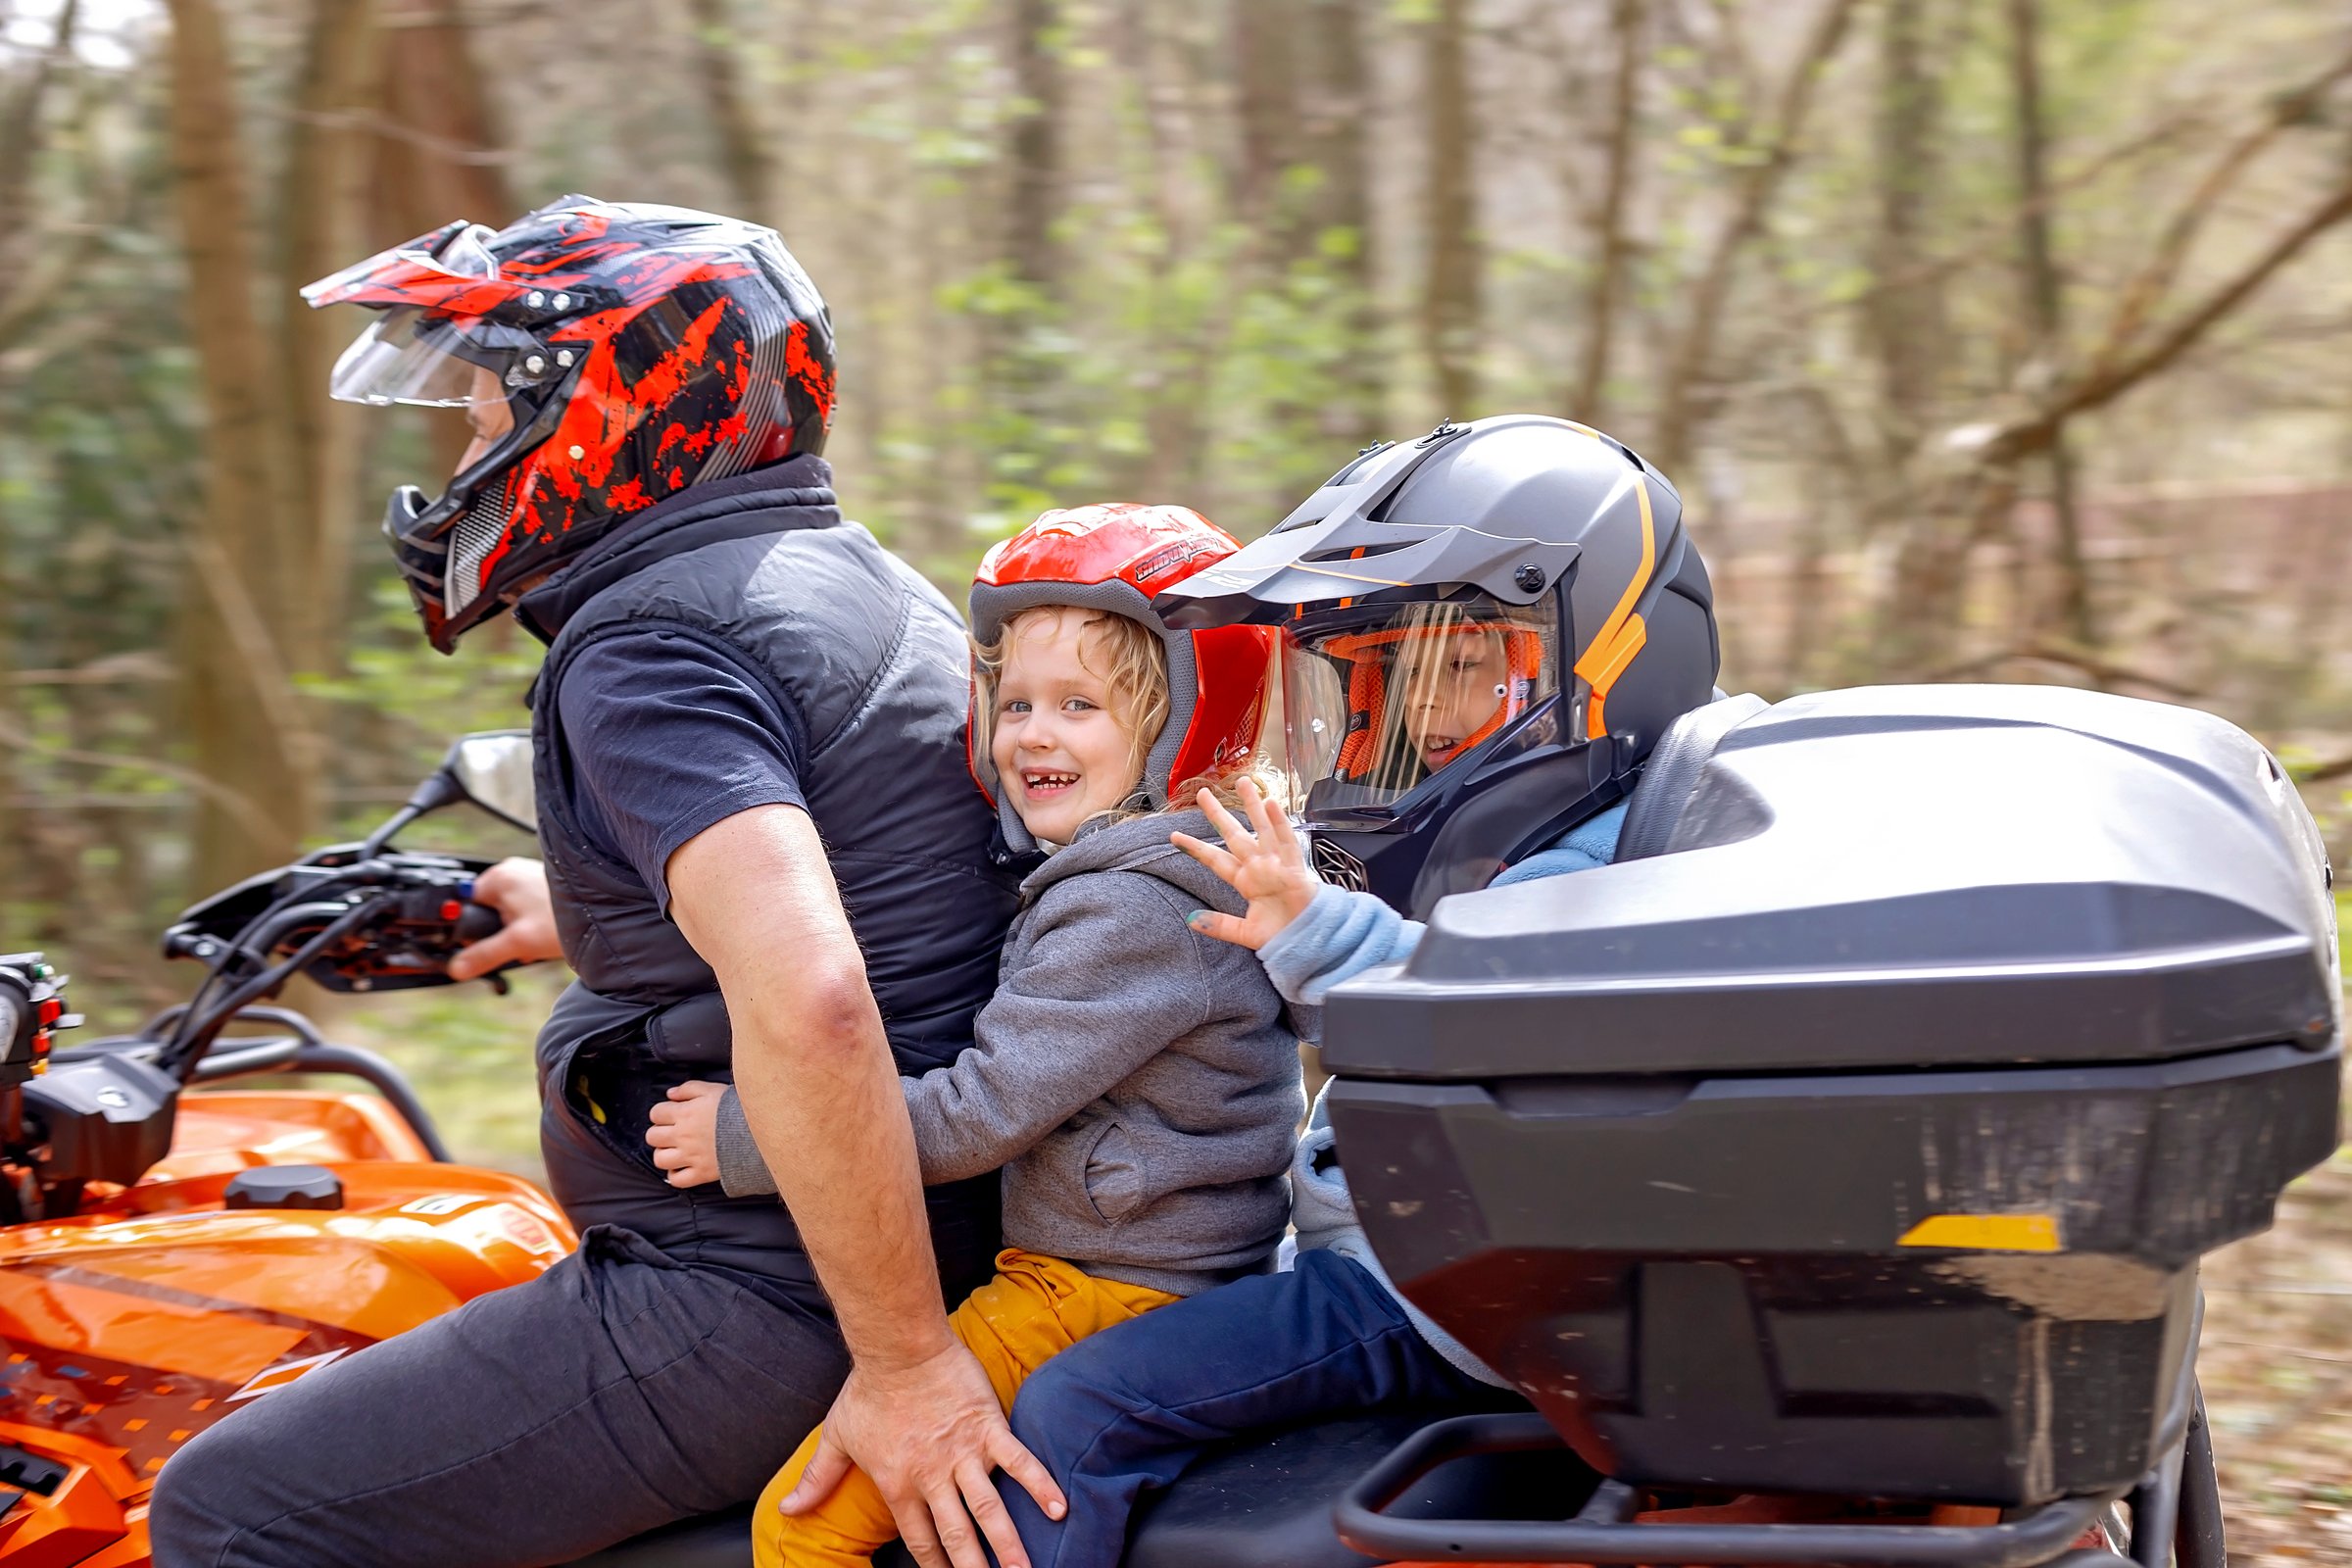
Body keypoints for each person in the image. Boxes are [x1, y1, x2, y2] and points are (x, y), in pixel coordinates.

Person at [150, 198, 1054, 1568]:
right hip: (913, 1237)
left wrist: (910, 1364)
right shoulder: (859, 581)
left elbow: (814, 992)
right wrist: (557, 905)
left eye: (479, 412)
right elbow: (880, 876)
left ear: (614, 412)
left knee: (226, 1508)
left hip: (764, 1295)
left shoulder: (648, 644)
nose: (463, 456)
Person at [998, 414, 1725, 1568]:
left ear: (1606, 661)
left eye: (1462, 665)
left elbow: (1479, 1031)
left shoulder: (1588, 872)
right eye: (1379, 678)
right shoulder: (1573, 837)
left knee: (1077, 1412)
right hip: (1402, 1250)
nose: (1415, 719)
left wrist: (1315, 928)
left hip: (1419, 1295)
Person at [637, 502, 1309, 1568]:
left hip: (1105, 1283)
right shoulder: (1148, 868)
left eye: (1080, 705)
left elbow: (976, 1113)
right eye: (1018, 701)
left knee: (803, 1525)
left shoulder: (1134, 909)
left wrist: (746, 1140)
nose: (1034, 732)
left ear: (1192, 714)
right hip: (1148, 1258)